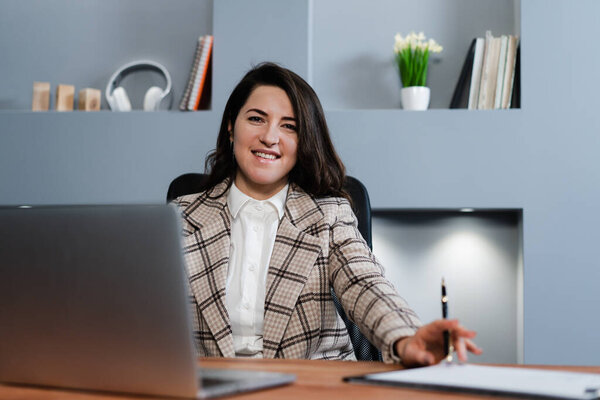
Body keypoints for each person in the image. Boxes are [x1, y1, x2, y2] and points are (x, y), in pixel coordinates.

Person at [172, 62, 482, 365]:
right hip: (206, 388)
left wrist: (406, 337)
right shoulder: (180, 216)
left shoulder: (330, 214)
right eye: (256, 119)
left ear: (303, 140)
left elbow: (365, 283)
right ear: (231, 125)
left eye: (289, 126)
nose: (269, 137)